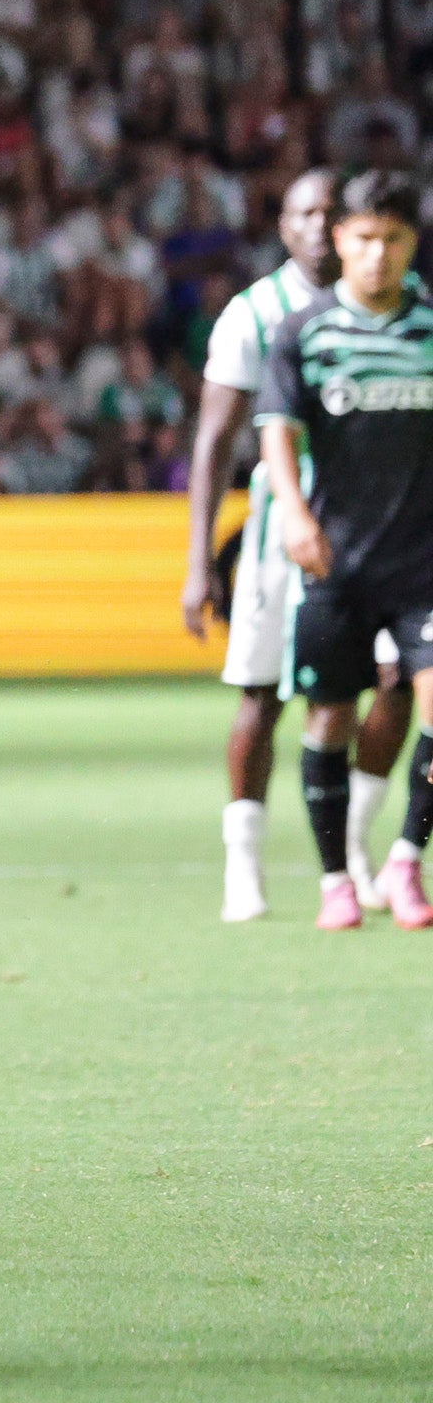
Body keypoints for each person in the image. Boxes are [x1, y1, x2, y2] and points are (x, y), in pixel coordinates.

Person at [185, 168, 412, 921]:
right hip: (284, 541)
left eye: (329, 212)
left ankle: (352, 843)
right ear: (284, 227)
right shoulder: (256, 313)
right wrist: (197, 561)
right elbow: (217, 439)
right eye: (303, 213)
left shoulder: (404, 313)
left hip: (386, 537)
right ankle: (242, 862)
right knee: (261, 698)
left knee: (397, 689)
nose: (319, 226)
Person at [253, 171, 433, 933]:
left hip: (424, 563)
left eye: (393, 240)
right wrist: (293, 513)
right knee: (328, 720)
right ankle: (336, 878)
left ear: (412, 244)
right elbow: (276, 431)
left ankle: (405, 859)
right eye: (364, 238)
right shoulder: (306, 331)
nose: (378, 255)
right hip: (337, 561)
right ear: (338, 241)